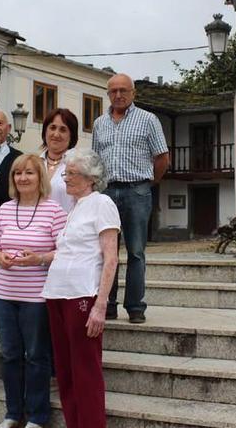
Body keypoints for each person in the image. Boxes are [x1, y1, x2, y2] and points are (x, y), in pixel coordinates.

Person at [0, 154, 67, 428]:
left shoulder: (54, 211)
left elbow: (66, 251)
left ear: (39, 177)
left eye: (29, 173)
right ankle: (12, 414)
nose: (23, 178)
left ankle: (37, 416)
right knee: (9, 355)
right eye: (18, 174)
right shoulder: (5, 209)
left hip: (36, 296)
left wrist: (39, 258)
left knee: (36, 356)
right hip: (3, 294)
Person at [41, 149, 120, 428]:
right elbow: (66, 251)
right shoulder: (74, 207)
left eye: (71, 174)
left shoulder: (102, 203)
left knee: (85, 372)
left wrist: (101, 305)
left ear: (90, 178)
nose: (65, 180)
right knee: (65, 373)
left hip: (82, 296)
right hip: (56, 294)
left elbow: (111, 257)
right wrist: (36, 257)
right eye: (66, 174)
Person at [92, 73, 169, 324]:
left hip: (137, 190)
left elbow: (162, 158)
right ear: (108, 94)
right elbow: (95, 160)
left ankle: (135, 307)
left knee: (136, 251)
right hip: (106, 193)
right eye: (113, 91)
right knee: (106, 251)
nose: (118, 95)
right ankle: (109, 304)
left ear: (133, 93)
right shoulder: (99, 123)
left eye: (123, 90)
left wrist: (148, 184)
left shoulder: (148, 120)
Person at [40, 108, 79, 213]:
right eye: (52, 128)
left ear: (72, 135)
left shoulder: (78, 166)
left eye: (63, 130)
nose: (56, 134)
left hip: (67, 226)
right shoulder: (34, 164)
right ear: (45, 131)